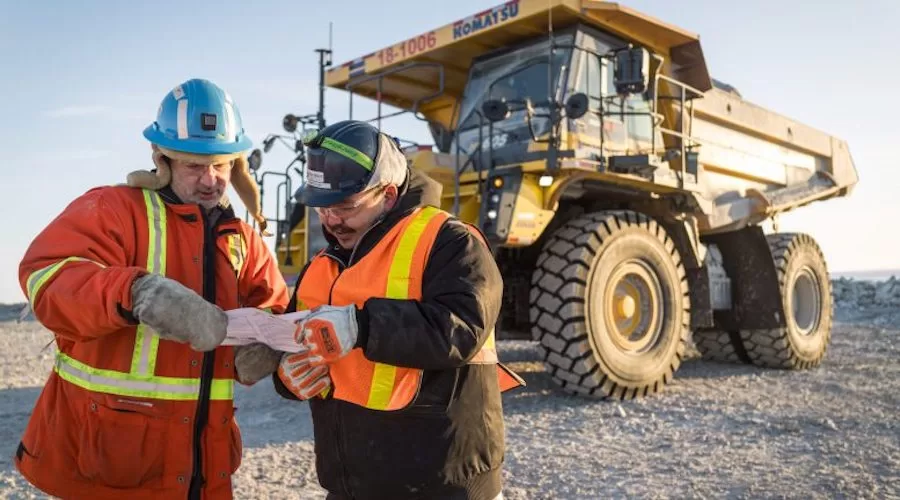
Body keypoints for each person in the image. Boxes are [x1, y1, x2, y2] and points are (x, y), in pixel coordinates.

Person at [14, 78, 289, 500]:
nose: (210, 180)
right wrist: (135, 292)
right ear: (162, 160)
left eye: (221, 165)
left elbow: (273, 305)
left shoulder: (244, 240)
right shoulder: (113, 209)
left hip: (204, 466)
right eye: (194, 166)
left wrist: (266, 343)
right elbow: (46, 278)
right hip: (108, 466)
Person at [267, 120, 521, 499]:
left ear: (387, 195)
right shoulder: (322, 264)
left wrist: (362, 326)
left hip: (445, 483)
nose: (331, 221)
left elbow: (462, 327)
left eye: (344, 206)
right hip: (354, 484)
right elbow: (292, 340)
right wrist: (286, 377)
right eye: (322, 209)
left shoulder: (450, 241)